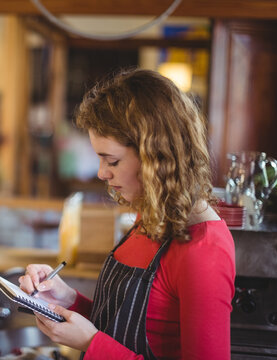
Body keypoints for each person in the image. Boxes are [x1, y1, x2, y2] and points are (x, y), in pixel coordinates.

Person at [19, 68, 236, 359]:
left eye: (113, 160)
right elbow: (120, 326)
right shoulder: (151, 217)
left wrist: (92, 344)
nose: (101, 173)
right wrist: (66, 299)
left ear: (156, 157)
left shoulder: (204, 248)